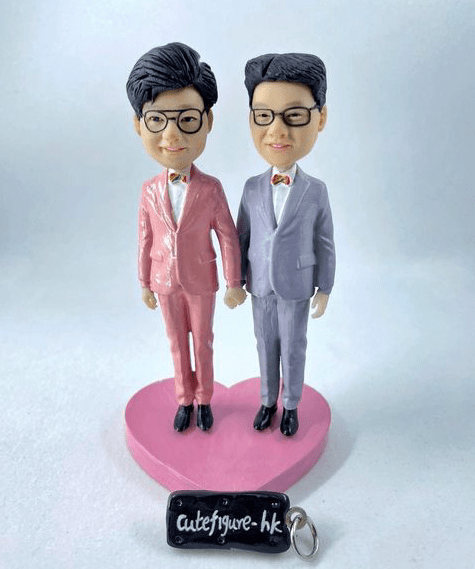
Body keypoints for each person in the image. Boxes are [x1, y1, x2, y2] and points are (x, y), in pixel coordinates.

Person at [126, 42, 245, 432]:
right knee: (176, 341)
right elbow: (145, 239)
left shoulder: (211, 188)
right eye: (157, 120)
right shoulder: (148, 190)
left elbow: (227, 236)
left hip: (201, 280)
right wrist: (144, 282)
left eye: (187, 119)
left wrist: (234, 282)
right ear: (139, 124)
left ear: (207, 121)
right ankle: (183, 399)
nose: (172, 134)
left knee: (203, 340)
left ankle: (205, 398)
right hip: (164, 280)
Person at [237, 52, 336, 436]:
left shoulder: (316, 190)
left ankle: (291, 405)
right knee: (265, 345)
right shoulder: (250, 188)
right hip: (260, 284)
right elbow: (241, 236)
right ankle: (267, 401)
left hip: (296, 285)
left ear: (320, 118)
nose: (277, 131)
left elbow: (325, 241)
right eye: (264, 116)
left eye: (293, 115)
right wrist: (235, 281)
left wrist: (325, 287)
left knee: (294, 347)